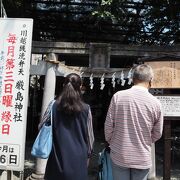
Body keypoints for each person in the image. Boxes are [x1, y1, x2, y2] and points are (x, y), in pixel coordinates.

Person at [104, 64, 163, 180]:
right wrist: (145, 141)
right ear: (150, 80)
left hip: (120, 153)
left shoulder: (118, 97)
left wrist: (113, 142)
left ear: (132, 79)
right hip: (142, 156)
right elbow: (158, 133)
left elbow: (108, 126)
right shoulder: (156, 103)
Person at [44, 73, 94, 180]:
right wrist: (88, 155)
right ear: (80, 87)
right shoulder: (86, 108)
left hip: (56, 155)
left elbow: (41, 126)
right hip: (79, 158)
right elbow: (90, 137)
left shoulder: (53, 105)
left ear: (63, 85)